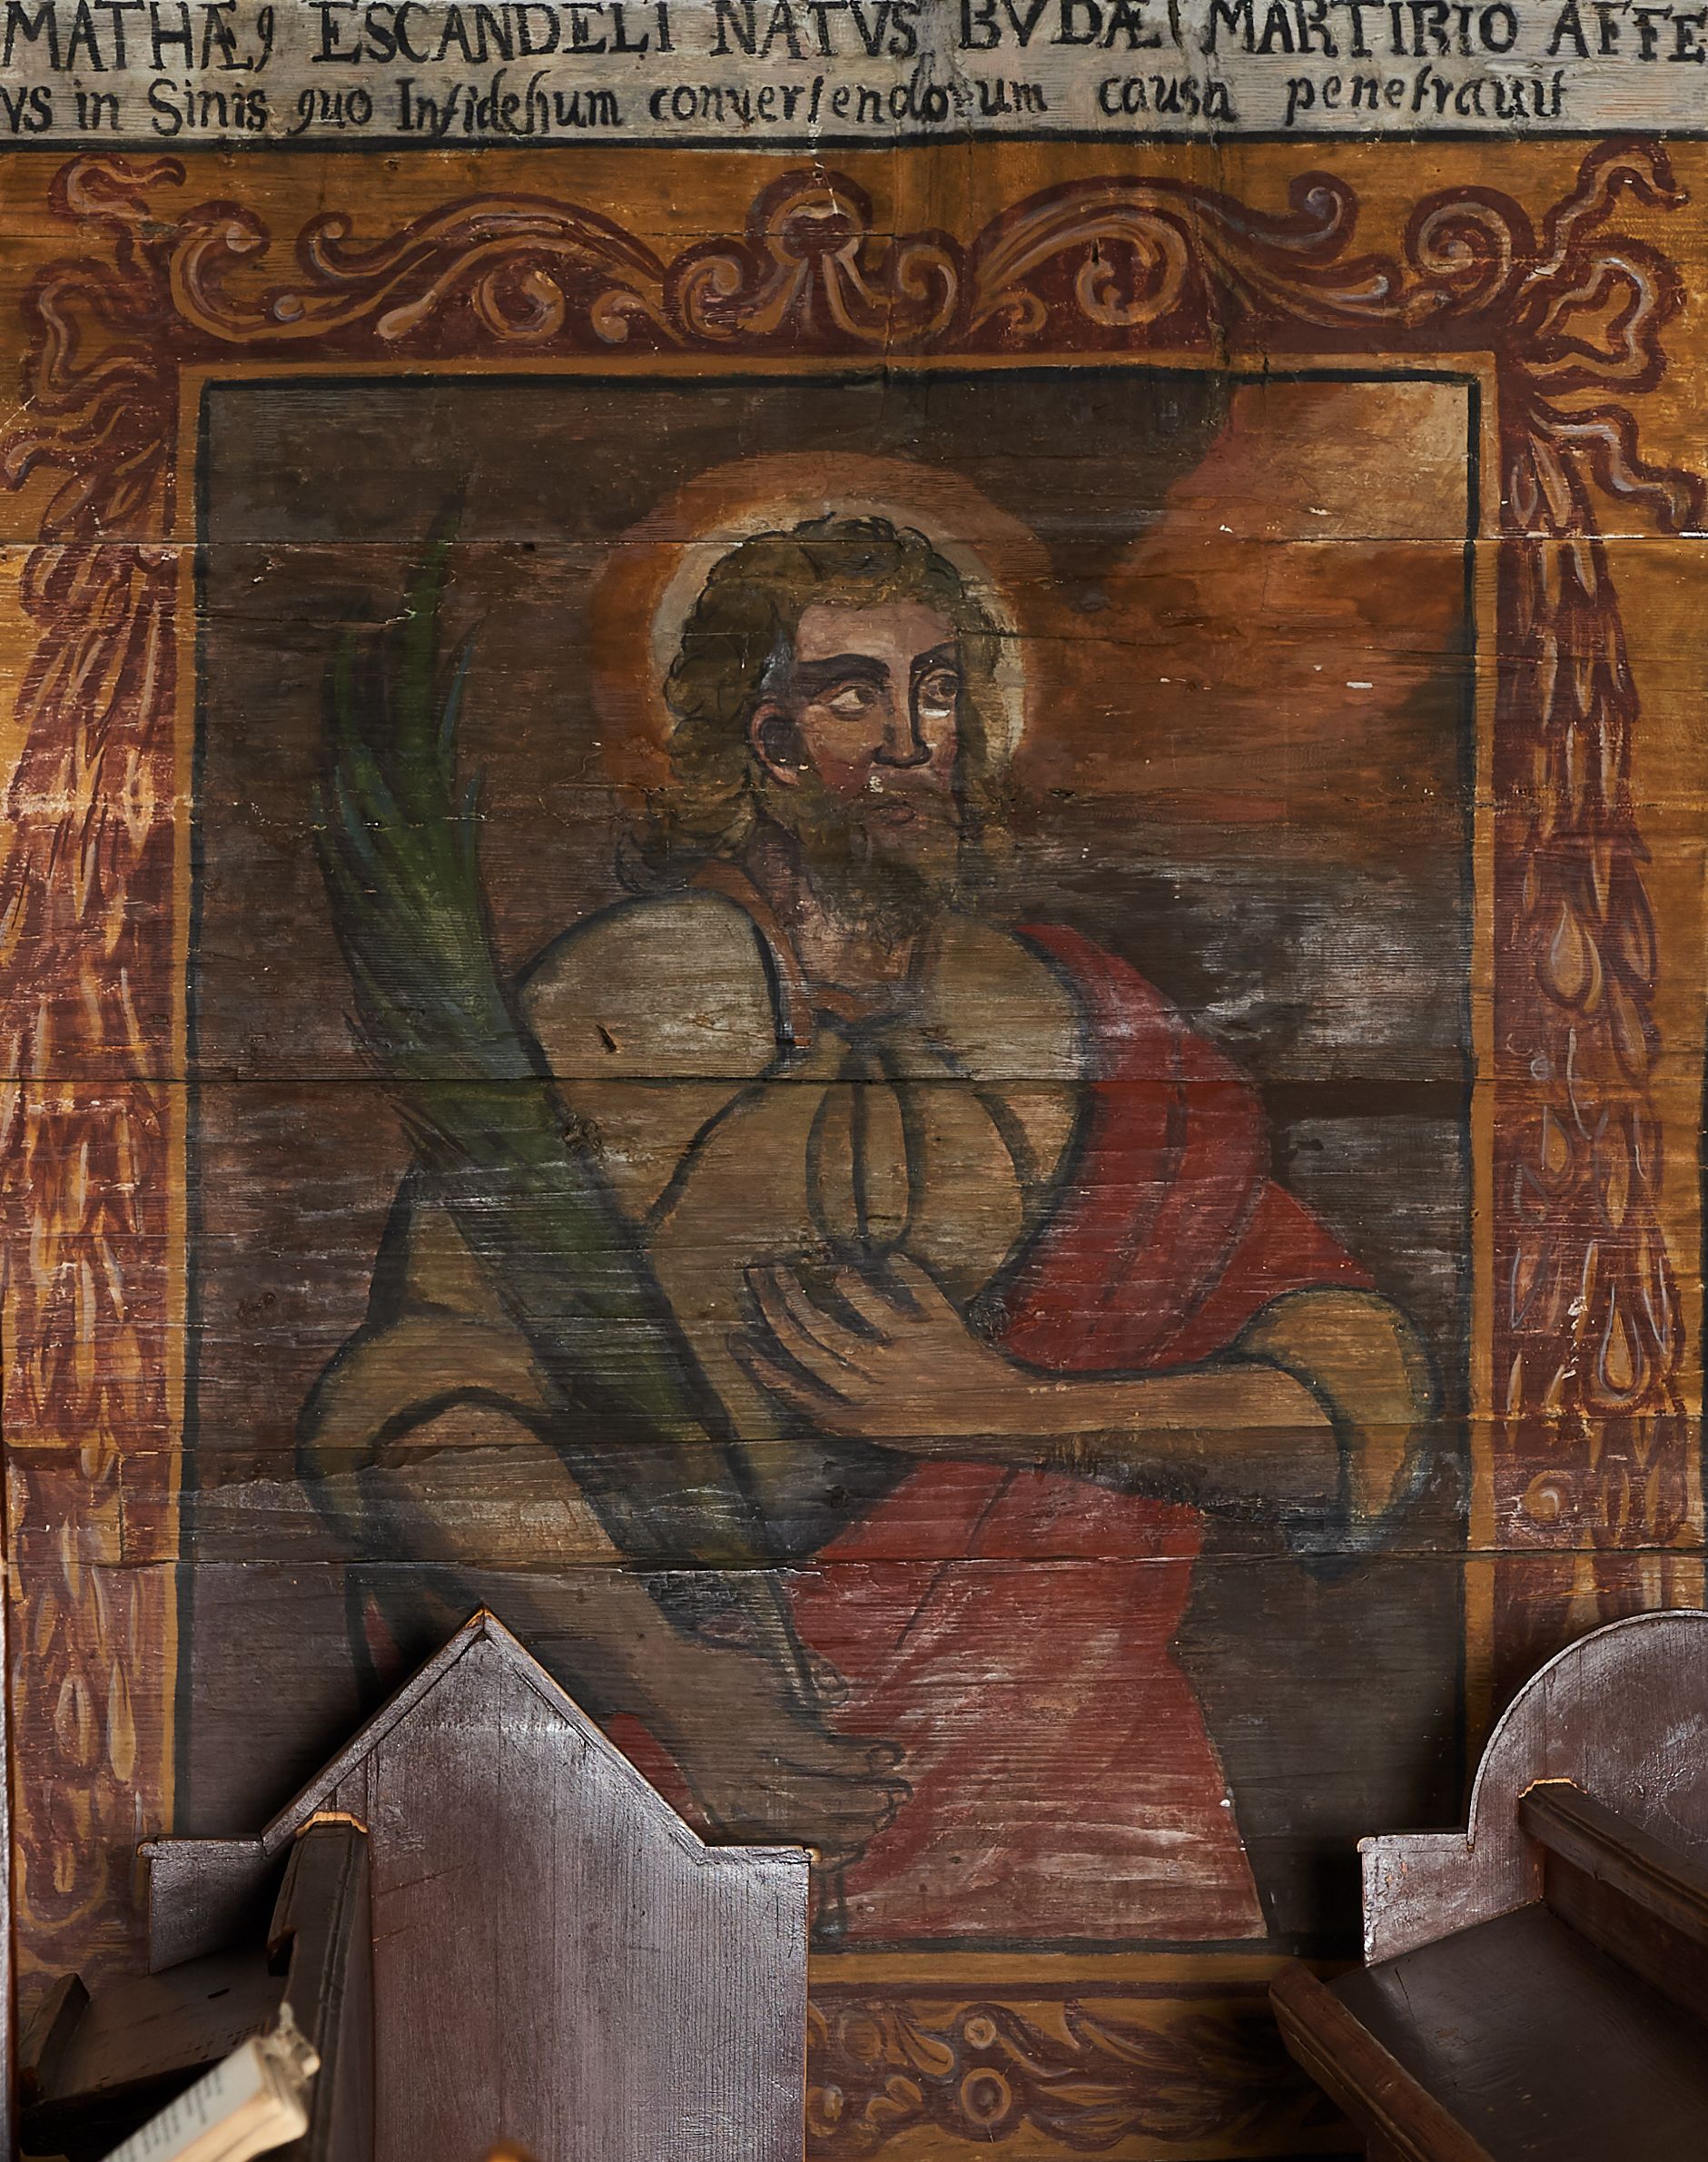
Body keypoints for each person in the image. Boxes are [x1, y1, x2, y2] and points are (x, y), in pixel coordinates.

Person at [301, 515, 1433, 1940]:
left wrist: (1006, 1410)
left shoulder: (1082, 1029)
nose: (911, 740)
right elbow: (416, 1413)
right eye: (853, 694)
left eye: (939, 688)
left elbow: (1357, 1409)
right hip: (717, 1775)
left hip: (1076, 1796)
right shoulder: (620, 1014)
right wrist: (678, 1674)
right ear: (765, 742)